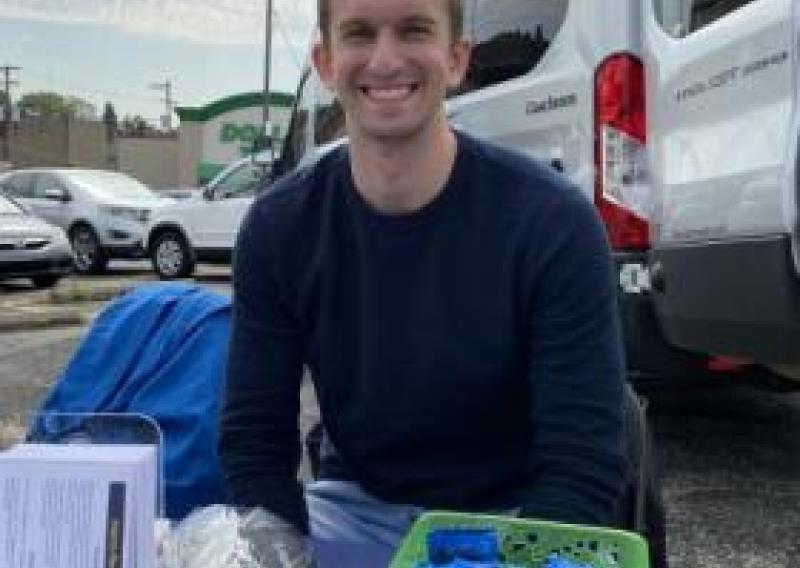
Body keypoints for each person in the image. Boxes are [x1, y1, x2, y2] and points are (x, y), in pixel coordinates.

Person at [219, 0, 627, 565]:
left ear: (457, 58)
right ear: (326, 61)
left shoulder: (553, 224)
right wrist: (279, 555)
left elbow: (583, 464)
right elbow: (255, 442)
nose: (386, 60)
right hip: (354, 508)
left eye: (414, 30)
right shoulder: (277, 229)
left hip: (515, 516)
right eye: (360, 34)